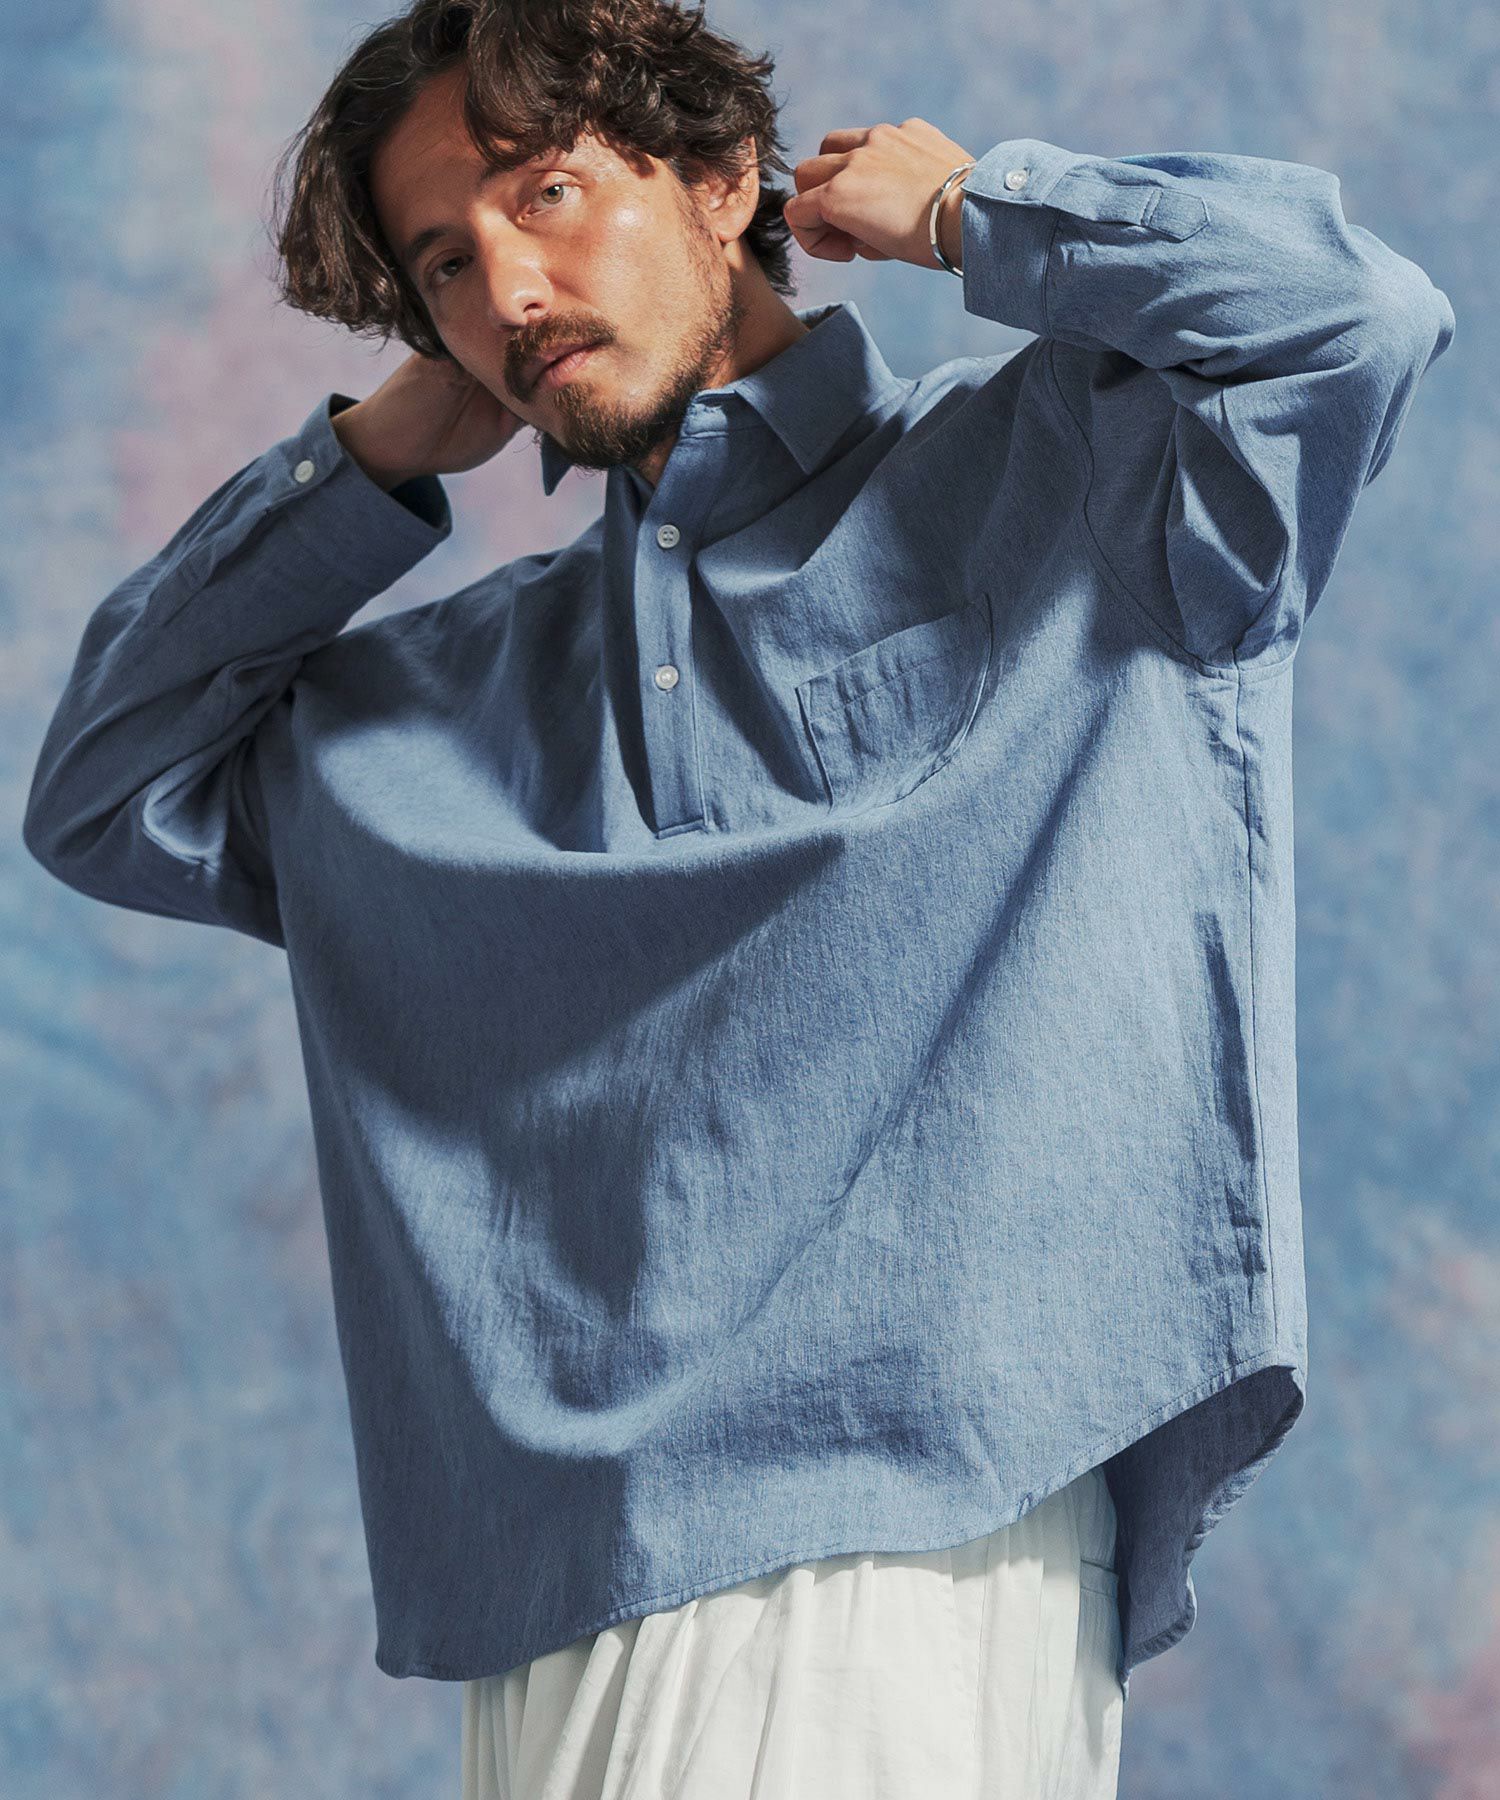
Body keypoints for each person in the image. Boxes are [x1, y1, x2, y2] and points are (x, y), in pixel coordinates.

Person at [22, 0, 1455, 1794]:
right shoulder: (443, 710)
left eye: (546, 194)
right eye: (445, 261)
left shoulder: (1078, 479)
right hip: (556, 1589)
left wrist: (983, 215)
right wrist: (369, 458)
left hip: (919, 1528)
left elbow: (1350, 316)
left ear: (718, 181)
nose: (507, 289)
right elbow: (103, 790)